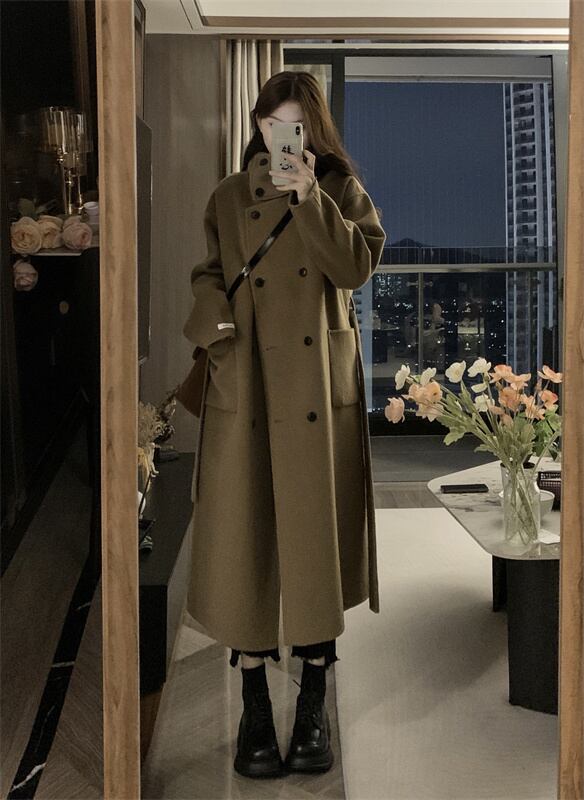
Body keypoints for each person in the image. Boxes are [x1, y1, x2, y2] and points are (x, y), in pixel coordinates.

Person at [182, 71, 387, 779]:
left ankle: (312, 705)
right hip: (249, 381)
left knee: (313, 544)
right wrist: (216, 330)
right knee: (247, 541)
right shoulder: (227, 195)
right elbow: (208, 274)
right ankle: (254, 708)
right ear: (258, 126)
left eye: (293, 125)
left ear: (314, 129)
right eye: (270, 124)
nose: (280, 138)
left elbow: (354, 269)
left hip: (314, 392)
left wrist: (310, 200)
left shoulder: (341, 192)